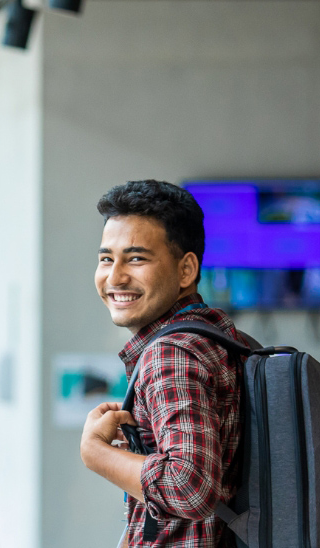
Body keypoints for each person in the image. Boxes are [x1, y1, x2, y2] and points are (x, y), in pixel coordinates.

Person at [78, 180, 244, 547]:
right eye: (107, 258)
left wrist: (97, 454)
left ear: (186, 270)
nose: (115, 276)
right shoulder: (219, 335)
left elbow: (189, 487)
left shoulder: (172, 353)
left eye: (136, 258)